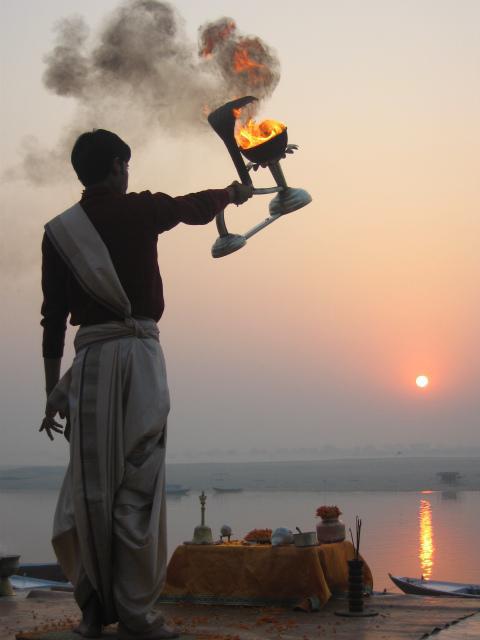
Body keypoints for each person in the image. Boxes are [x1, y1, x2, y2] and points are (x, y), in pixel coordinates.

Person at [39, 129, 253, 639]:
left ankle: (92, 613)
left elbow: (52, 321)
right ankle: (135, 614)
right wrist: (232, 193)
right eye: (125, 165)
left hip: (88, 367)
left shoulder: (58, 232)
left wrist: (52, 390)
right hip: (138, 360)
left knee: (90, 491)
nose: (127, 172)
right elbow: (194, 207)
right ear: (117, 166)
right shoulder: (140, 211)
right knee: (137, 484)